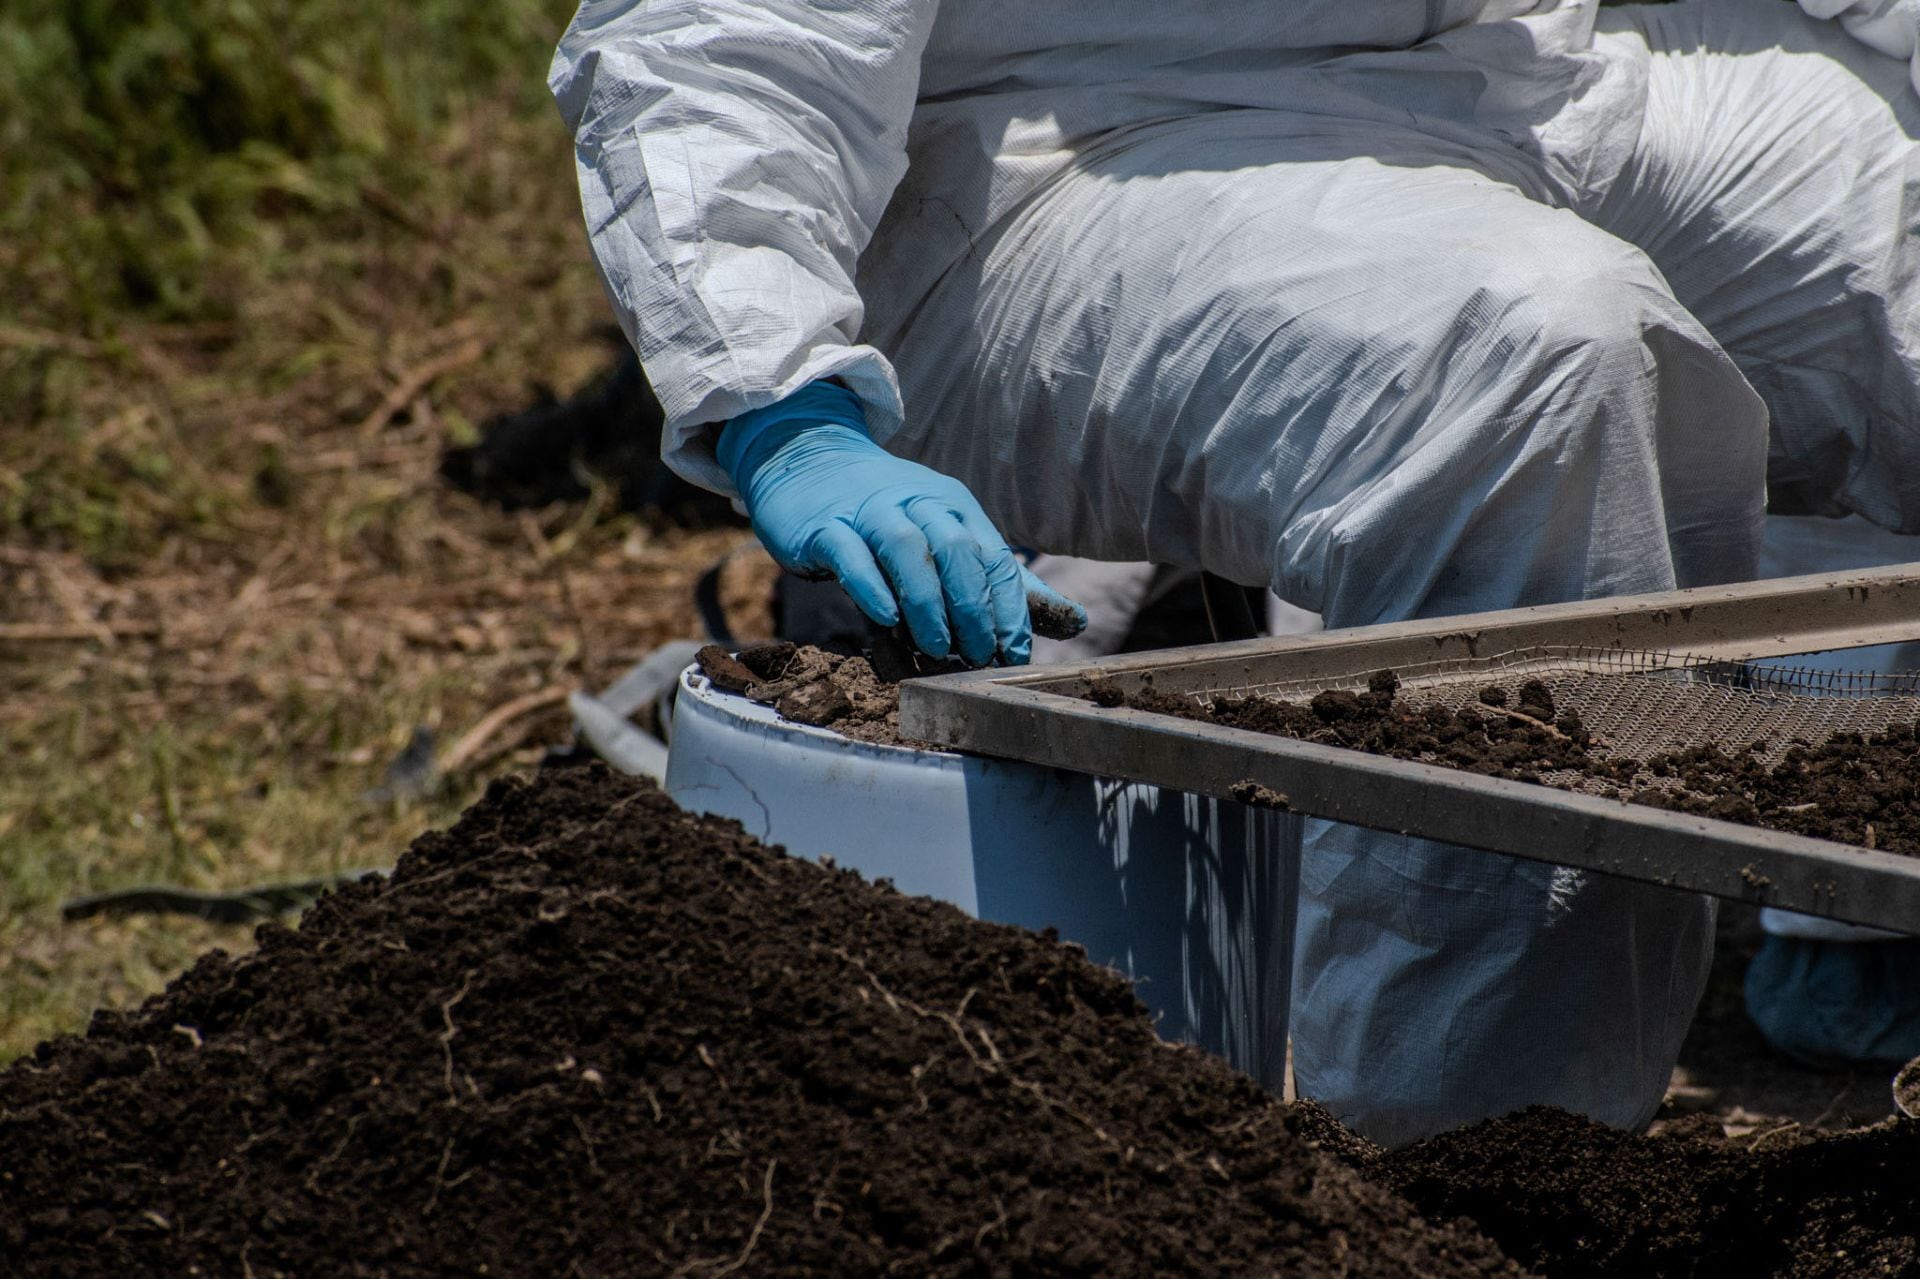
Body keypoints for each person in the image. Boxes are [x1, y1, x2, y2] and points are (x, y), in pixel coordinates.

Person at [551, 0, 1920, 1145]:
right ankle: (1469, 1175)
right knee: (1536, 371)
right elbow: (721, 35)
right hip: (1066, 144)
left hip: (1531, 59)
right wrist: (784, 404)